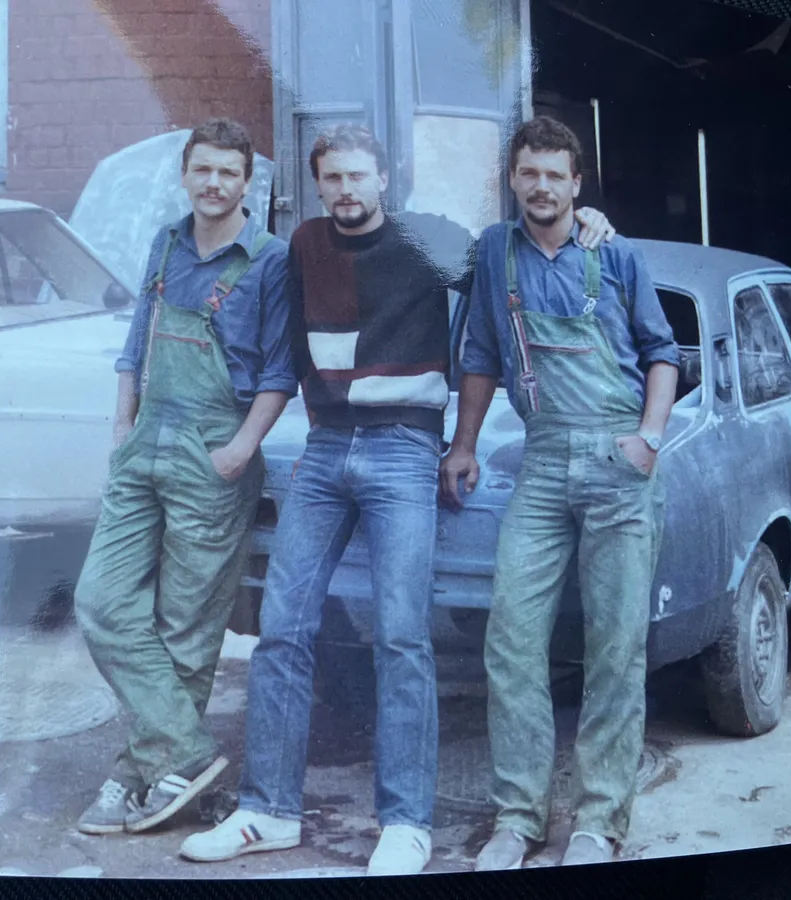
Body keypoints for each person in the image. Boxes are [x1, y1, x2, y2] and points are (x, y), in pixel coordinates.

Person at [178, 123, 616, 876]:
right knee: (280, 629)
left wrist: (588, 222)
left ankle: (406, 822)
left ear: (385, 179)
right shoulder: (304, 247)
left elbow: (521, 248)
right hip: (324, 451)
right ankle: (267, 810)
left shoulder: (432, 241)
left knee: (402, 635)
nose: (347, 190)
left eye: (360, 176)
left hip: (404, 450)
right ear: (320, 185)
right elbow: (278, 351)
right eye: (334, 179)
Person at [439, 116, 680, 871]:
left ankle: (600, 821)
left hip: (617, 459)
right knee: (511, 642)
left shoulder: (617, 255)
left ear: (577, 184)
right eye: (528, 173)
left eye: (555, 175)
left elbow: (662, 352)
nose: (541, 186)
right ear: (512, 181)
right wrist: (466, 442)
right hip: (541, 464)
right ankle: (518, 817)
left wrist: (648, 437)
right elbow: (480, 353)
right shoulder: (492, 253)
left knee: (615, 647)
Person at [73, 117, 297, 837]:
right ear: (185, 172)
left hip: (214, 447)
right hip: (146, 441)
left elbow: (279, 373)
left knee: (185, 629)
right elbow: (136, 340)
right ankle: (188, 753)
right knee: (102, 603)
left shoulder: (269, 260)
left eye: (228, 173)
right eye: (203, 169)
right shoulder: (167, 241)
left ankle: (137, 775)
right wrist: (121, 424)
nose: (213, 183)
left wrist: (240, 448)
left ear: (246, 183)